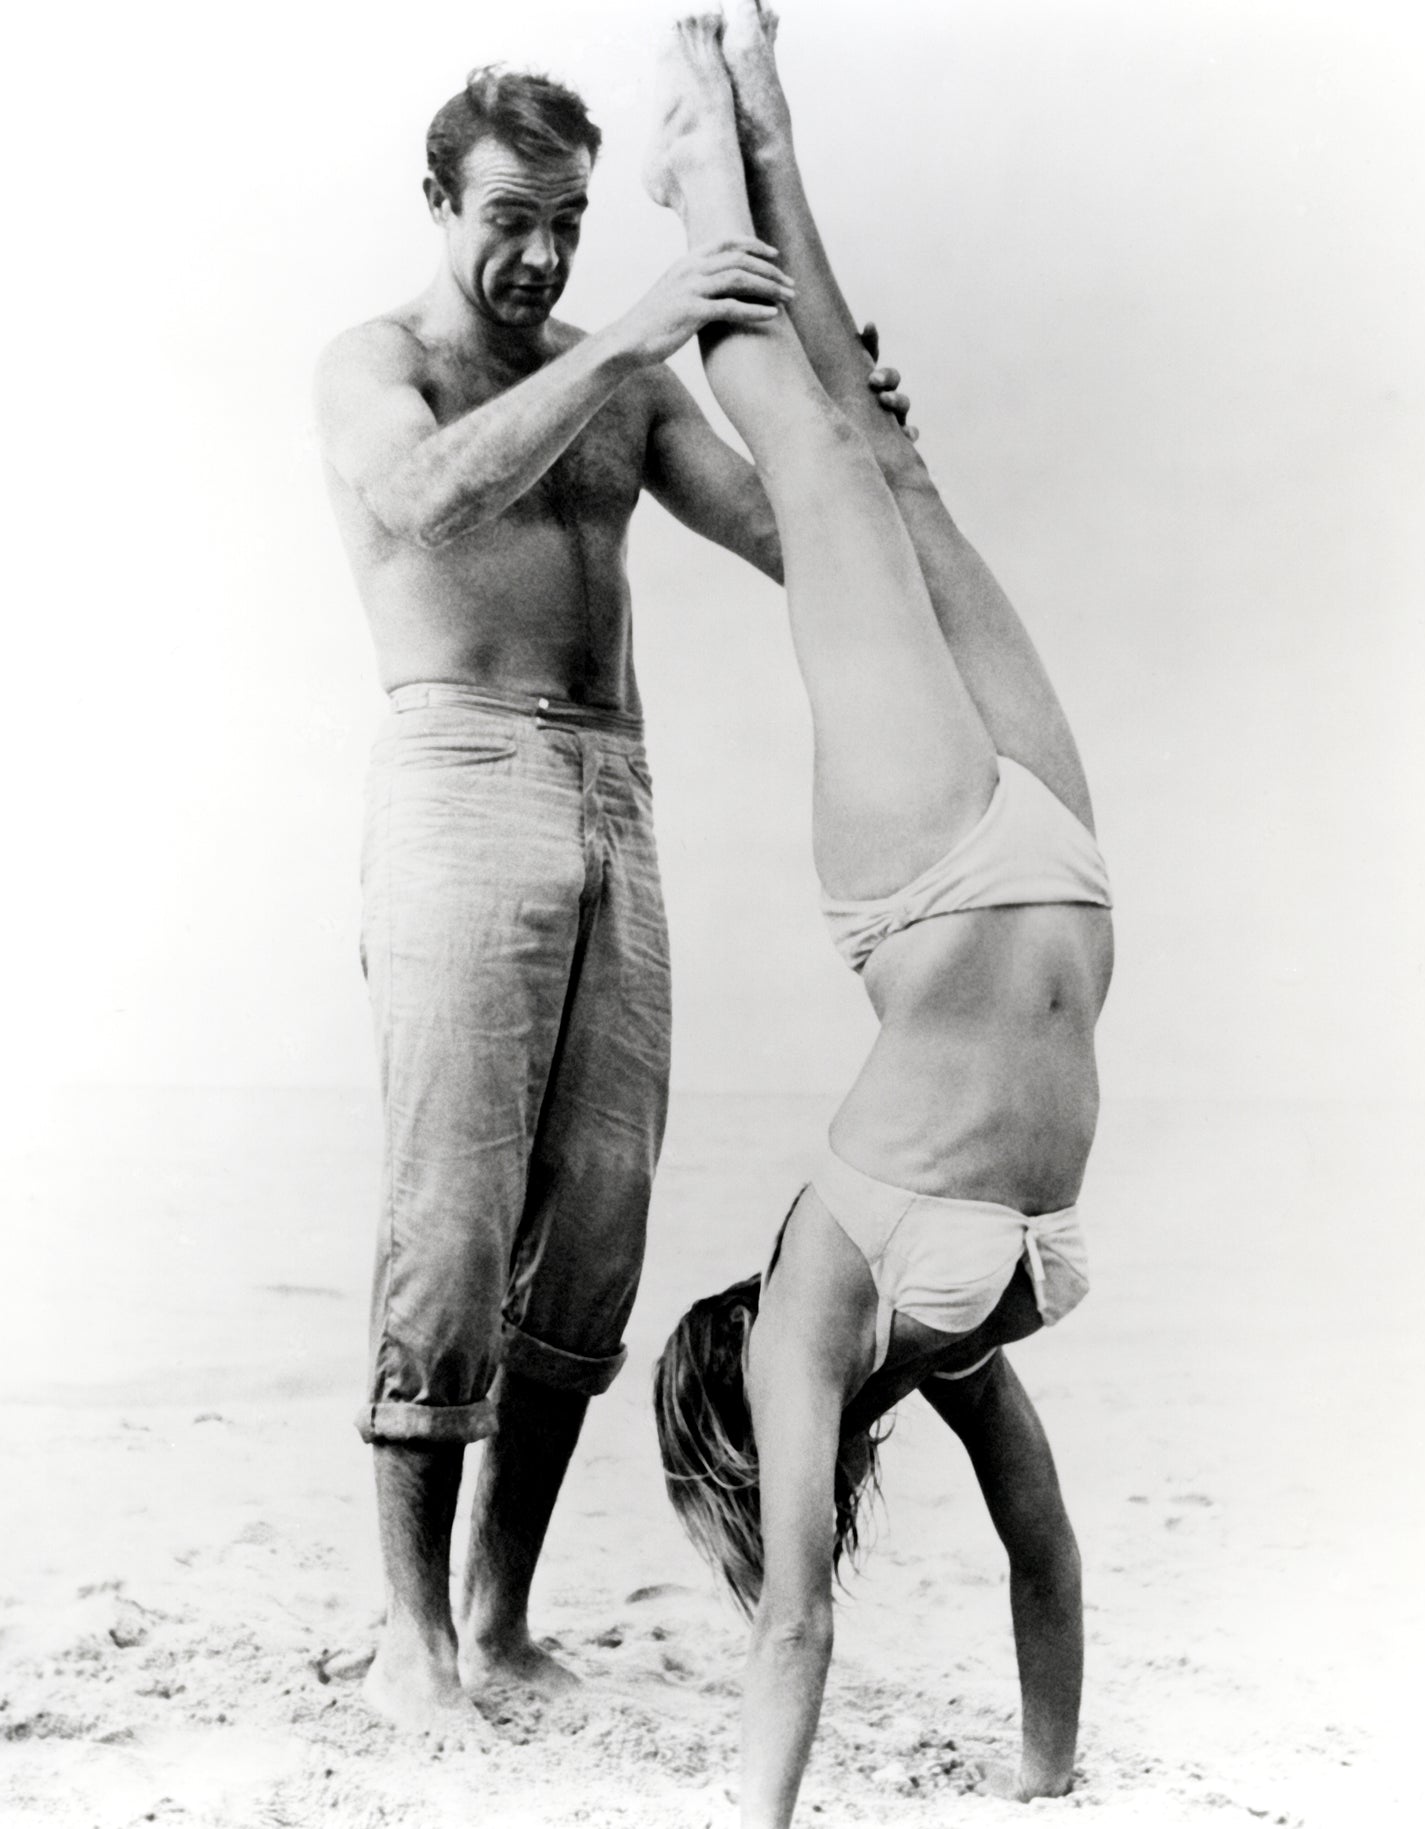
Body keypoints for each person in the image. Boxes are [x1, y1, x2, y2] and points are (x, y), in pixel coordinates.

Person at [314, 63, 910, 1737]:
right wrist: (636, 330)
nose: (542, 256)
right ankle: (411, 1640)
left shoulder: (619, 385)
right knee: (450, 1220)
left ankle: (499, 1619)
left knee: (592, 1227)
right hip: (460, 774)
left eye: (569, 223)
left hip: (615, 787)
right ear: (439, 202)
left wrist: (861, 437)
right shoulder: (379, 363)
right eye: (512, 219)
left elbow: (787, 535)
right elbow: (423, 499)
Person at [649, 8, 1114, 1822]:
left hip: (925, 881)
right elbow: (1041, 1545)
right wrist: (1044, 1791)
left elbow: (792, 1625)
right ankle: (761, 119)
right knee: (893, 468)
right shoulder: (940, 1346)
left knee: (823, 460)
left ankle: (709, 155)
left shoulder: (801, 1329)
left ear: (736, 1397)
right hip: (1051, 864)